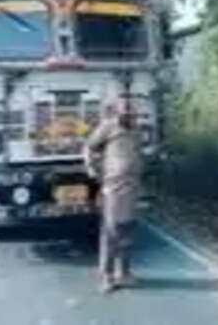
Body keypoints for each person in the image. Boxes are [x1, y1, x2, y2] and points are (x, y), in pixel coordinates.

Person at [83, 96, 142, 294]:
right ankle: (107, 276)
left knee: (128, 229)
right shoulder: (108, 128)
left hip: (131, 186)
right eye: (125, 112)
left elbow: (137, 153)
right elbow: (89, 147)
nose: (129, 116)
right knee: (112, 231)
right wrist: (93, 170)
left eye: (132, 113)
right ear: (117, 112)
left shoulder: (136, 131)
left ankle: (124, 272)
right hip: (113, 187)